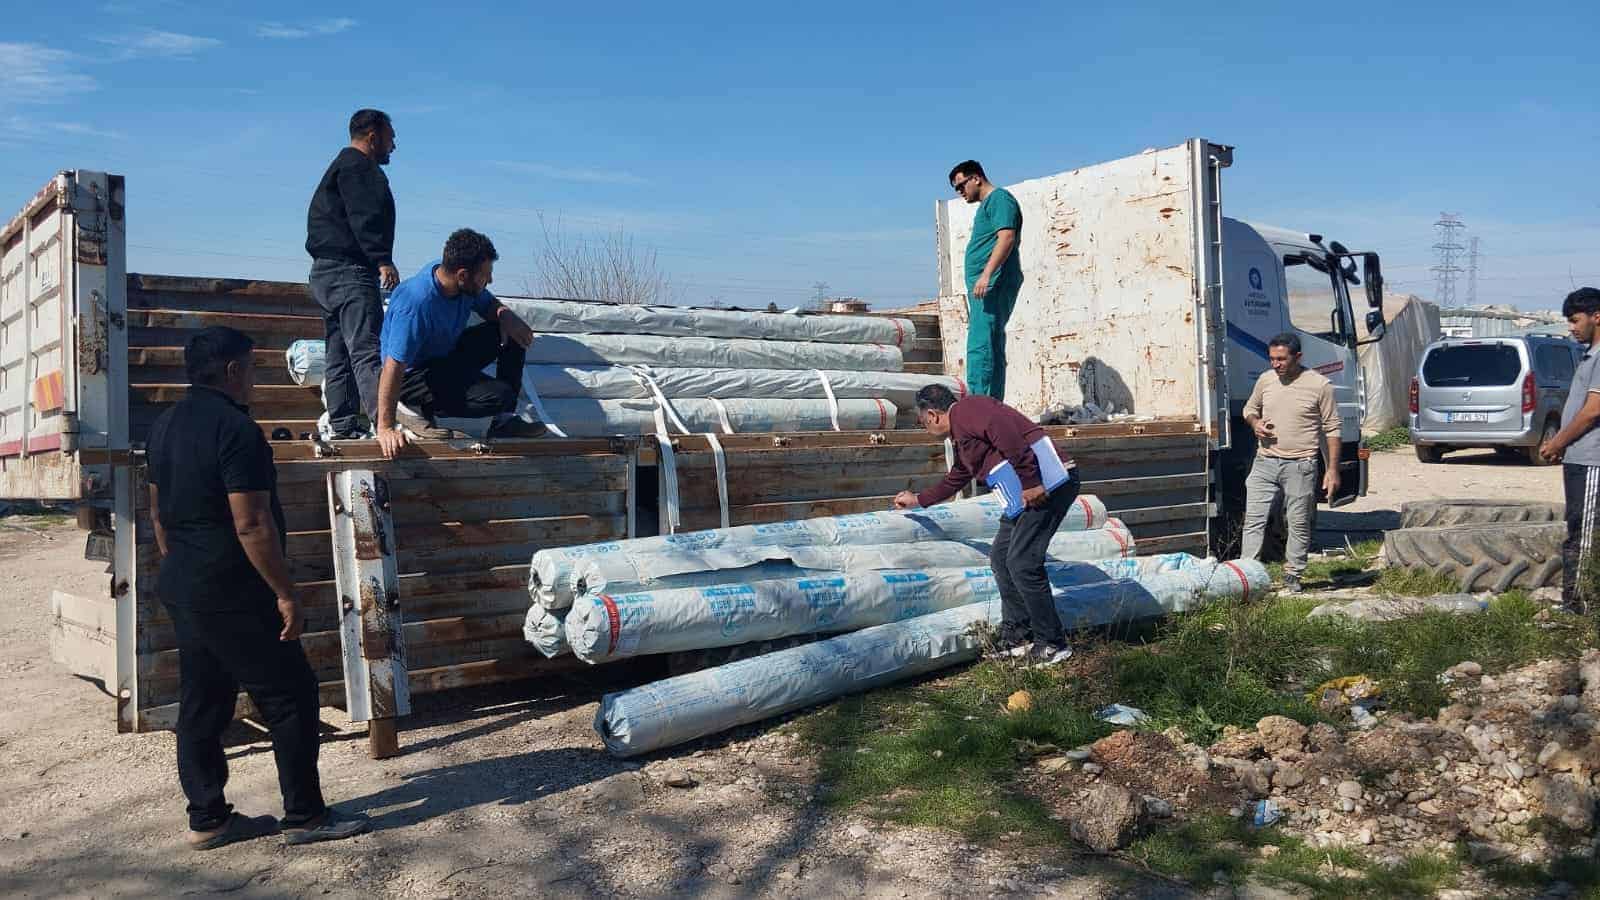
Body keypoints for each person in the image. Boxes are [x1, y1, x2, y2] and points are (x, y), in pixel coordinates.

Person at [147, 326, 369, 849]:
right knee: (290, 695)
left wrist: (186, 567)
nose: (254, 378)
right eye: (250, 367)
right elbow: (251, 524)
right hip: (235, 590)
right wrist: (285, 592)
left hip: (185, 583)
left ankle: (209, 818)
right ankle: (306, 818)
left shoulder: (164, 426)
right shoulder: (236, 431)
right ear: (230, 371)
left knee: (203, 700)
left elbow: (157, 514)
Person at [894, 384, 1079, 666]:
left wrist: (1031, 482)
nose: (924, 427)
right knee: (1002, 558)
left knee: (1023, 563)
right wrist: (919, 500)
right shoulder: (961, 432)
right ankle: (1019, 635)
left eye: (921, 421)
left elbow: (1008, 433)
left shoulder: (970, 409)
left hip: (1047, 485)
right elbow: (957, 476)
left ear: (931, 414)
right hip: (1020, 494)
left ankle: (1052, 643)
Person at [375, 228, 544, 459]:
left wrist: (505, 314)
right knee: (500, 396)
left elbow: (488, 304)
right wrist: (384, 427)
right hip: (412, 377)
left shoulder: (454, 276)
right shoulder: (416, 305)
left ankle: (503, 421)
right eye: (485, 276)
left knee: (509, 332)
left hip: (443, 358)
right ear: (462, 275)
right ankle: (413, 408)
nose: (490, 280)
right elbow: (393, 366)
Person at [306, 108, 398, 439]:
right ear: (372, 137)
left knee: (339, 352)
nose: (393, 146)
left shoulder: (340, 167)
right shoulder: (360, 168)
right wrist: (382, 259)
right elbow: (365, 216)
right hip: (350, 272)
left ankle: (344, 425)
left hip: (326, 274)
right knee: (365, 350)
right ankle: (384, 424)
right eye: (390, 138)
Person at [1239, 332, 1341, 592]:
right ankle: (1247, 576)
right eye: (1272, 359)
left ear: (1298, 357)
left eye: (1282, 359)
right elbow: (1249, 409)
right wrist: (1255, 423)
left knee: (1297, 522)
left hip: (1301, 464)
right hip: (1265, 462)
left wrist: (1332, 470)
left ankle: (1293, 575)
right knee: (1254, 519)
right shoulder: (1265, 380)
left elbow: (1332, 429)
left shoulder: (1320, 385)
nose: (1276, 364)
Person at [1539, 287, 1600, 613]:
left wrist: (1559, 441)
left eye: (1575, 320)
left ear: (1597, 316)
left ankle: (1580, 606)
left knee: (1585, 535)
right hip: (1579, 458)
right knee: (1577, 529)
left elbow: (1593, 410)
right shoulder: (1590, 354)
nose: (1571, 328)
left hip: (1592, 460)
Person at [949, 160, 1023, 400]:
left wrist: (986, 274)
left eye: (961, 186)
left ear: (976, 178)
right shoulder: (987, 206)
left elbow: (1007, 237)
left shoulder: (1000, 199)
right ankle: (990, 404)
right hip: (985, 286)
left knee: (981, 346)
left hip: (991, 285)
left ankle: (980, 404)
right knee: (989, 343)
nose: (960, 192)